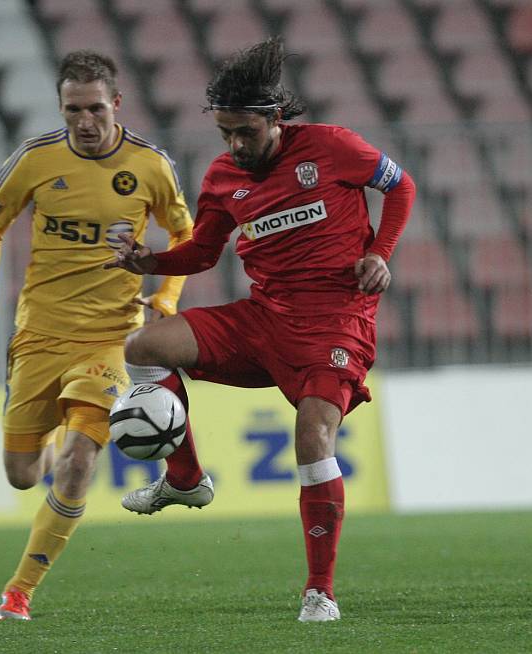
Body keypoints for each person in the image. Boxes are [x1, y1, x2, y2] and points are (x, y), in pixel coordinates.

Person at [105, 37, 415, 622]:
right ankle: (186, 478)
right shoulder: (224, 176)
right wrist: (149, 261)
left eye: (244, 131)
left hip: (336, 320)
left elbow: (401, 186)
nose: (234, 144)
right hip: (263, 319)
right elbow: (201, 251)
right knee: (143, 346)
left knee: (312, 436)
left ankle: (319, 591)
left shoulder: (331, 146)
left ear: (275, 119)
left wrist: (381, 252)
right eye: (225, 133)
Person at [0, 50, 196, 621]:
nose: (84, 122)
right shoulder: (36, 159)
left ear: (116, 103)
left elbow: (185, 231)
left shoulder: (150, 165)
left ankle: (20, 590)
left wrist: (165, 298)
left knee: (79, 459)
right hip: (39, 332)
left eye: (95, 108)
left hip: (112, 337)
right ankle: (46, 448)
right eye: (73, 110)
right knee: (22, 474)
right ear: (61, 108)